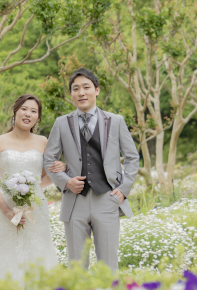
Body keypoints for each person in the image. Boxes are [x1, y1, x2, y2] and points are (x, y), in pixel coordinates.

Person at [44, 68, 139, 273]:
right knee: (77, 267)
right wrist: (65, 181)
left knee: (108, 267)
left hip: (107, 198)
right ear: (71, 94)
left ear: (96, 90)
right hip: (74, 201)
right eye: (76, 88)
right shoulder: (61, 123)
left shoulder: (116, 121)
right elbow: (49, 159)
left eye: (86, 87)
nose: (81, 93)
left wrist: (123, 190)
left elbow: (132, 157)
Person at [0, 93, 68, 286]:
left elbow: (46, 178)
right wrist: (7, 211)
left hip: (35, 209)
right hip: (5, 208)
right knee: (5, 252)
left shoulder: (43, 142)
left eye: (34, 111)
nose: (28, 114)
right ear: (15, 111)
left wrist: (59, 169)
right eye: (24, 109)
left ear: (38, 118)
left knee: (38, 250)